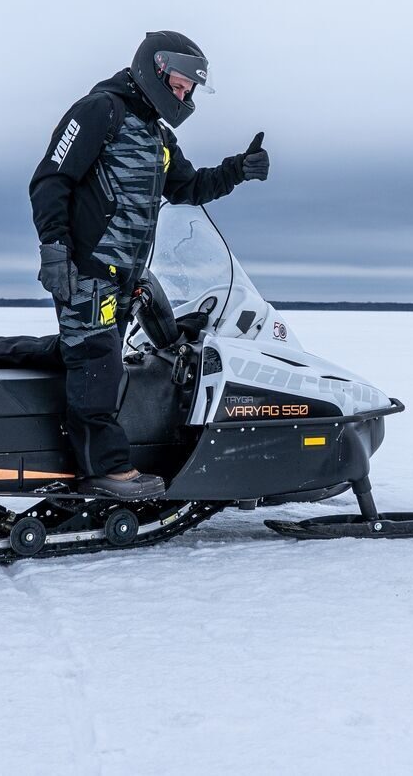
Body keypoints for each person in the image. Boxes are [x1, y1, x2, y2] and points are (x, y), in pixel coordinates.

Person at [29, 31, 269, 499]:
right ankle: (107, 471)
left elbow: (186, 188)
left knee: (92, 360)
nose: (182, 96)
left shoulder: (157, 134)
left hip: (126, 282)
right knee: (96, 367)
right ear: (153, 70)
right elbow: (50, 180)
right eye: (178, 86)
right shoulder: (100, 111)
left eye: (188, 91)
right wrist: (55, 250)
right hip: (87, 273)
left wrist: (238, 169)